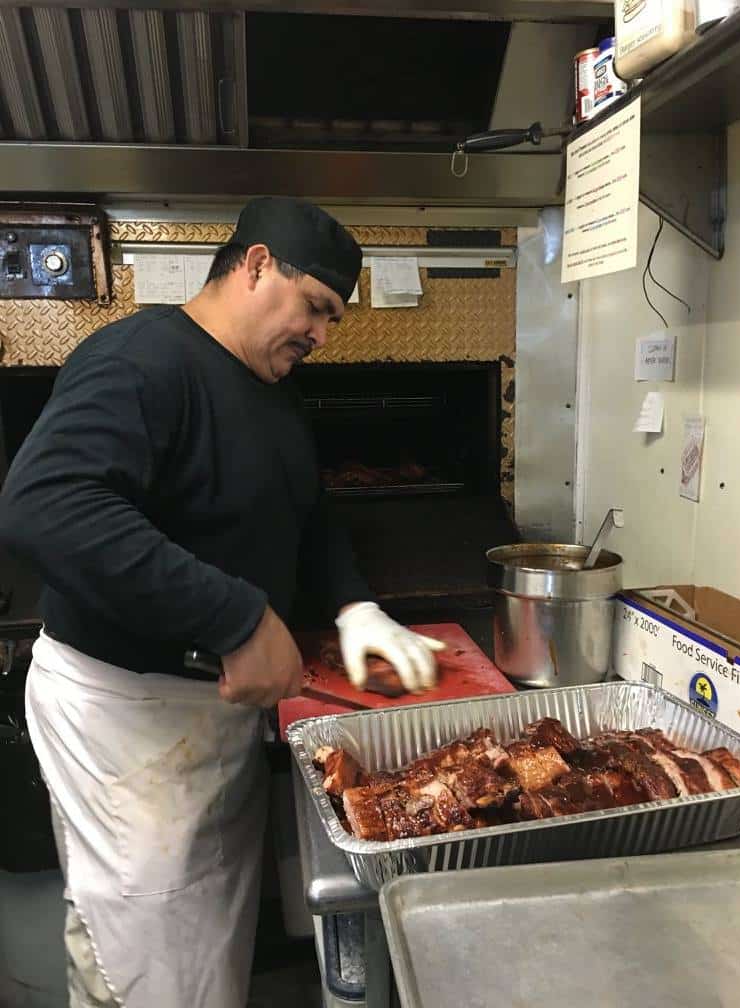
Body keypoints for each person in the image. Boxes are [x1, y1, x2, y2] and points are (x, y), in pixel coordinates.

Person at [0, 196, 443, 1008]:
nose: (320, 334)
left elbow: (307, 513)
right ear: (256, 264)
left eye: (333, 320)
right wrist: (235, 616)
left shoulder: (270, 389)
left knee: (203, 951)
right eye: (316, 308)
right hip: (124, 719)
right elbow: (47, 506)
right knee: (139, 958)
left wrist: (354, 608)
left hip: (213, 719)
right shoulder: (140, 359)